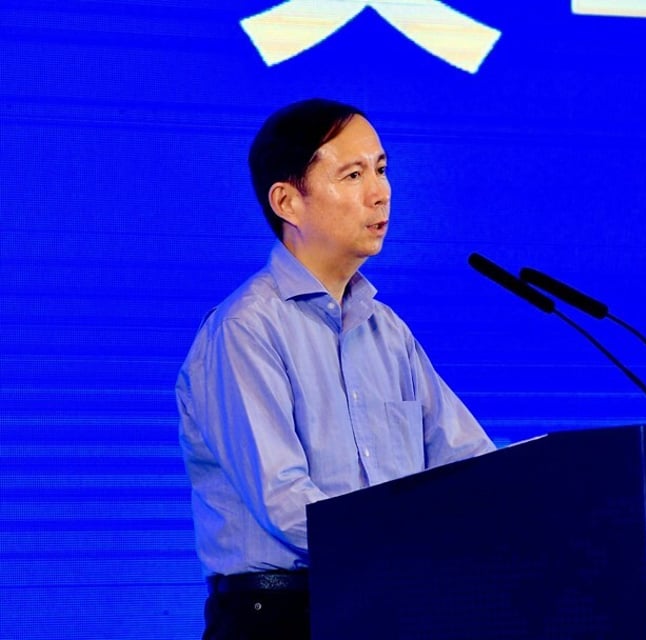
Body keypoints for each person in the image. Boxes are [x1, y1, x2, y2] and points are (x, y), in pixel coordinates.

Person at [175, 98, 495, 640]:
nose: (380, 191)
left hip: (389, 607)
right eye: (352, 174)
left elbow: (468, 467)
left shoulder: (386, 330)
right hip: (282, 620)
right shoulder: (245, 329)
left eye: (381, 169)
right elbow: (286, 503)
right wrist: (413, 539)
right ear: (287, 201)